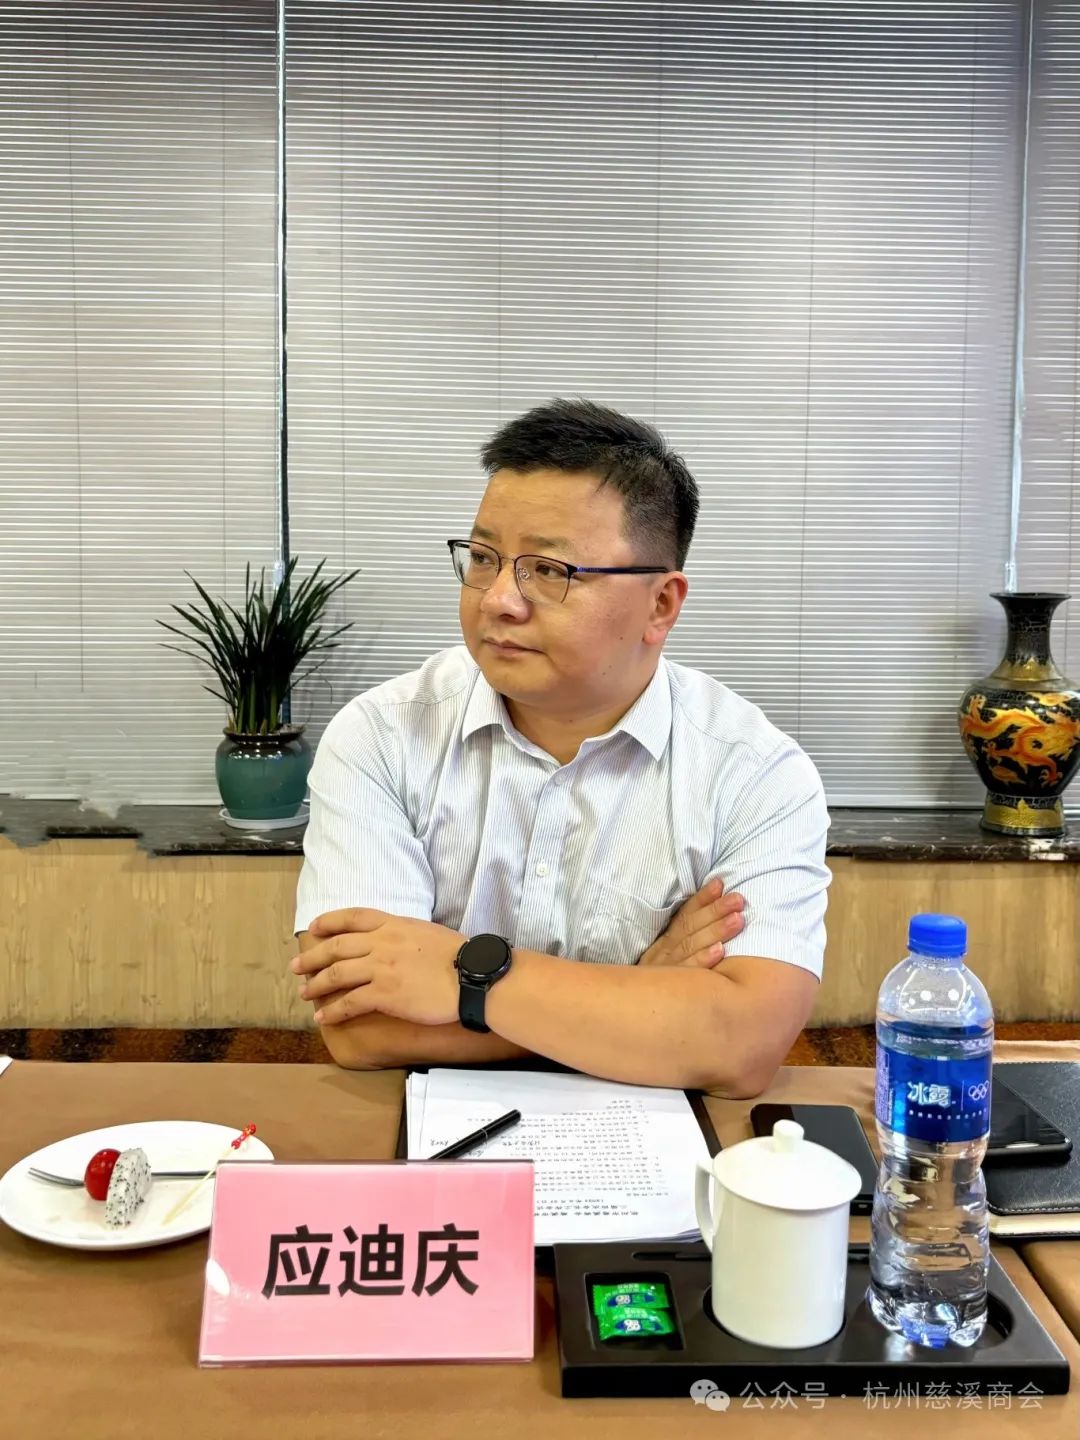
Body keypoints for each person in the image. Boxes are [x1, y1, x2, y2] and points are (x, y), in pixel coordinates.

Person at [291, 398, 830, 1095]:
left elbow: (741, 1046)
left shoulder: (756, 772)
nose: (497, 600)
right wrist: (642, 994)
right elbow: (362, 1029)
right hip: (435, 1135)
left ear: (661, 604)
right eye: (483, 558)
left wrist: (464, 981)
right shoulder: (382, 735)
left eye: (548, 570)